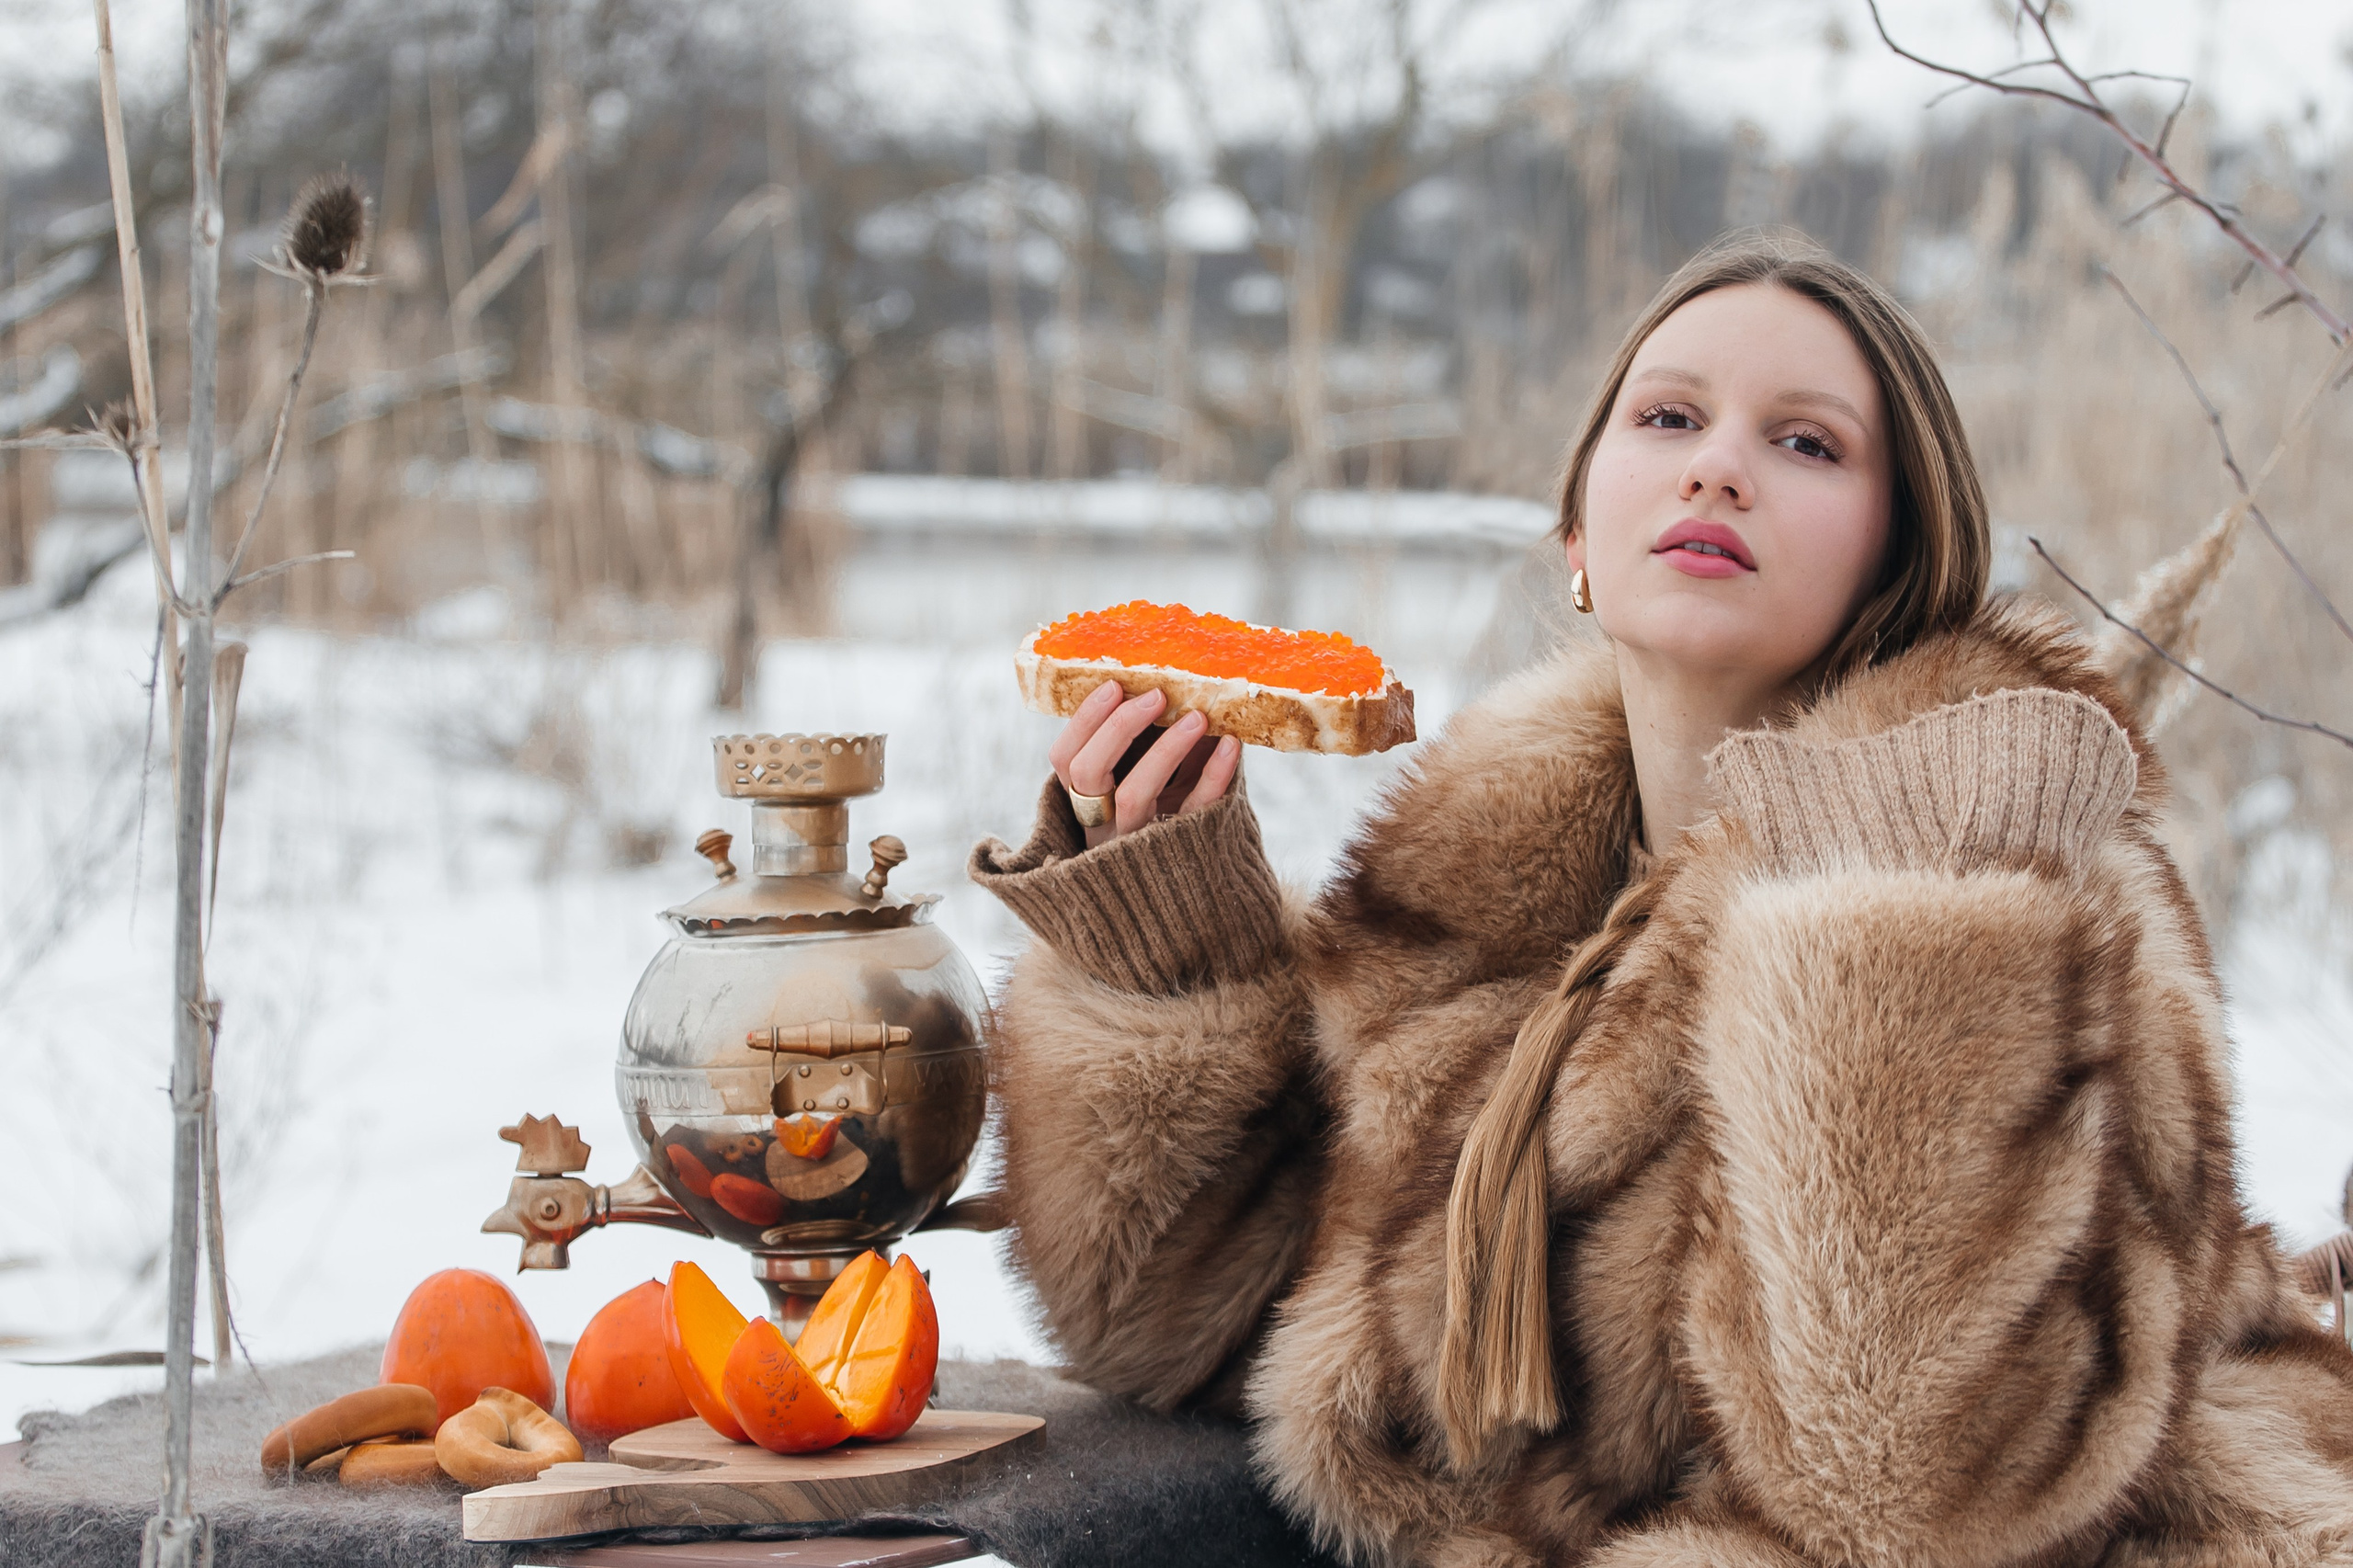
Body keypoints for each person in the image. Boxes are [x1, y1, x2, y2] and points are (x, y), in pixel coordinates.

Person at [969, 231, 2353, 1567]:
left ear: (1898, 557)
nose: (1719, 471)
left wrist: (1903, 928)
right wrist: (1171, 953)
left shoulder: (2019, 874)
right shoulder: (1485, 890)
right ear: (1578, 528)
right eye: (1669, 418)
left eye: (1806, 443)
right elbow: (1196, 1331)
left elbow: (1915, 1499)